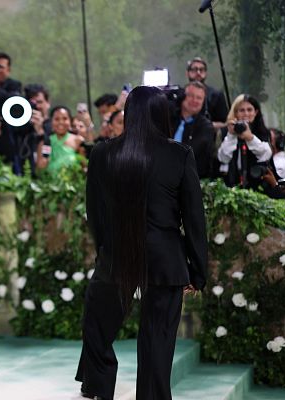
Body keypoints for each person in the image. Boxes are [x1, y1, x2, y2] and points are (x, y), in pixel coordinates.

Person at [76, 86, 207, 400]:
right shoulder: (179, 154)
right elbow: (193, 218)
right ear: (163, 115)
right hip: (166, 259)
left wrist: (104, 253)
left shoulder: (103, 153)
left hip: (116, 256)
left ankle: (100, 386)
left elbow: (94, 214)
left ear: (127, 114)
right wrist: (197, 270)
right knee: (157, 340)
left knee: (96, 325)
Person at [217, 94, 272, 189]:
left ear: (256, 112)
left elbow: (266, 155)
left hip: (257, 184)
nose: (246, 114)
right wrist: (231, 135)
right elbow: (223, 158)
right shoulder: (226, 132)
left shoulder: (262, 131)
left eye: (249, 110)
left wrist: (250, 138)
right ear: (235, 113)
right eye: (241, 110)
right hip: (231, 183)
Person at [170, 82, 216, 179]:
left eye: (199, 98)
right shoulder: (168, 117)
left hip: (190, 180)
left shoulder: (206, 127)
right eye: (190, 95)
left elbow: (193, 154)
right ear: (182, 97)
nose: (194, 100)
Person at [36, 106, 84, 173]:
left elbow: (84, 166)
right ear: (51, 122)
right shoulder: (45, 143)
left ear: (70, 121)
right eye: (57, 119)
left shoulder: (78, 140)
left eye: (65, 118)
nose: (61, 122)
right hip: (50, 183)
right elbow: (39, 170)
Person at [186, 57, 229, 130]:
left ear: (206, 73)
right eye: (195, 69)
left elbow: (225, 123)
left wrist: (206, 126)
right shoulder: (180, 94)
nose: (198, 73)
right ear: (187, 73)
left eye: (201, 70)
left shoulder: (216, 95)